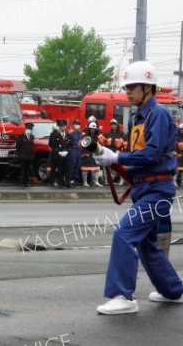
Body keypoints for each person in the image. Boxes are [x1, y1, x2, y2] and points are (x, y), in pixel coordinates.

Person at [94, 61, 183, 314]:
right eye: (127, 87)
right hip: (146, 188)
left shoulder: (158, 114)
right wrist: (112, 160)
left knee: (123, 234)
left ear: (148, 87)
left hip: (156, 191)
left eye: (132, 87)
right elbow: (141, 156)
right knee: (146, 243)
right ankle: (173, 290)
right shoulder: (140, 116)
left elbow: (152, 155)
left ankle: (122, 295)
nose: (128, 91)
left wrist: (117, 158)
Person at [101, 118, 126, 185]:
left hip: (117, 152)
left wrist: (119, 151)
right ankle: (107, 181)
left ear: (117, 125)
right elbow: (103, 143)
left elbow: (123, 144)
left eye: (114, 125)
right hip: (108, 152)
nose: (113, 126)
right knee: (107, 167)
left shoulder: (121, 134)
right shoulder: (106, 134)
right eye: (112, 125)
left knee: (118, 167)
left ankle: (120, 181)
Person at [48, 120, 72, 188]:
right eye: (61, 126)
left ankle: (68, 183)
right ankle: (60, 183)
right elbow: (52, 144)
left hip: (67, 155)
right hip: (59, 155)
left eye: (63, 126)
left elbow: (70, 145)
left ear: (65, 127)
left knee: (67, 169)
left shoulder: (69, 135)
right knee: (60, 169)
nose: (62, 128)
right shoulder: (56, 135)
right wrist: (58, 152)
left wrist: (67, 151)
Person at [80, 122, 103, 187]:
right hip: (87, 153)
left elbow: (98, 145)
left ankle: (95, 181)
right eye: (91, 129)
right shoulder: (85, 136)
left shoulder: (96, 137)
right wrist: (84, 153)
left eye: (94, 129)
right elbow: (82, 145)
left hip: (94, 154)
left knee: (96, 169)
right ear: (89, 129)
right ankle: (84, 182)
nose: (93, 130)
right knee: (85, 169)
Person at [16, 122, 35, 187]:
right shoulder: (21, 136)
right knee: (23, 169)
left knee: (28, 170)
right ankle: (21, 182)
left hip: (29, 156)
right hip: (23, 155)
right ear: (26, 129)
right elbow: (18, 145)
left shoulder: (32, 137)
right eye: (28, 128)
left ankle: (26, 182)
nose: (30, 130)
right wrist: (18, 154)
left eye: (30, 129)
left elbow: (32, 146)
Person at [69, 119, 83, 185]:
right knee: (72, 164)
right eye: (76, 124)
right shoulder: (70, 133)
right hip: (73, 150)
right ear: (73, 125)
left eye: (78, 124)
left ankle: (76, 179)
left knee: (78, 165)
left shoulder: (80, 133)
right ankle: (71, 179)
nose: (77, 125)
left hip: (79, 150)